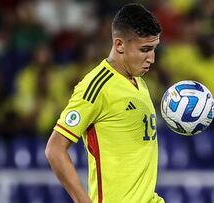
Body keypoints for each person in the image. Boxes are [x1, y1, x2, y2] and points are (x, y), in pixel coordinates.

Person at [45, 3, 164, 203]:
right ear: (119, 45)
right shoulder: (96, 87)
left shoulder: (140, 83)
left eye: (154, 49)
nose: (151, 58)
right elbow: (54, 149)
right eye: (145, 49)